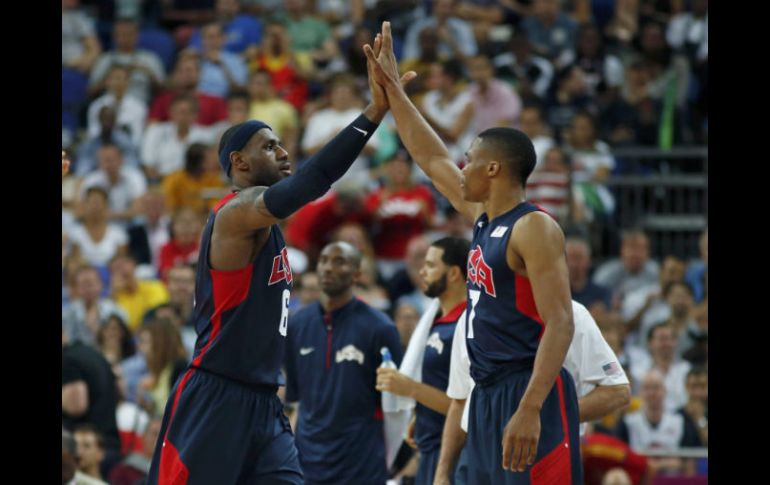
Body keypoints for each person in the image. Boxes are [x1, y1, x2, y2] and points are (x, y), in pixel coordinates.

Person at [146, 36, 415, 483]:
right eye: (269, 146)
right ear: (240, 162)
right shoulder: (234, 214)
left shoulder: (264, 226)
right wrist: (372, 113)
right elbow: (312, 182)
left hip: (265, 402)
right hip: (218, 395)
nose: (284, 151)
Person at [364, 22, 582, 483]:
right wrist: (393, 94)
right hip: (485, 393)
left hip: (526, 387)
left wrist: (529, 408)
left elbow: (561, 322)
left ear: (495, 168)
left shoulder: (534, 227)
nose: (461, 167)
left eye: (471, 159)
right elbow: (431, 158)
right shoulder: (484, 217)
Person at [434, 300, 631, 484]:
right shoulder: (471, 315)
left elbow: (617, 390)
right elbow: (459, 401)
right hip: (477, 450)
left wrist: (547, 417)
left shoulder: (571, 314)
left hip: (541, 448)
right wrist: (442, 473)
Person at [284, 242, 404, 484]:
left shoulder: (380, 327)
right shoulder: (297, 325)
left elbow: (396, 402)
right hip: (308, 463)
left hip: (362, 463)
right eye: (324, 260)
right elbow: (297, 400)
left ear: (357, 274)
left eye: (339, 262)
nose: (328, 268)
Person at [375, 237, 470, 485]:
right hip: (430, 448)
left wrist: (409, 388)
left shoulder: (469, 325)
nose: (421, 271)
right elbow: (441, 387)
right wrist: (422, 415)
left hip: (455, 453)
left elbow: (467, 406)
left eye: (430, 265)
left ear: (452, 273)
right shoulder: (435, 321)